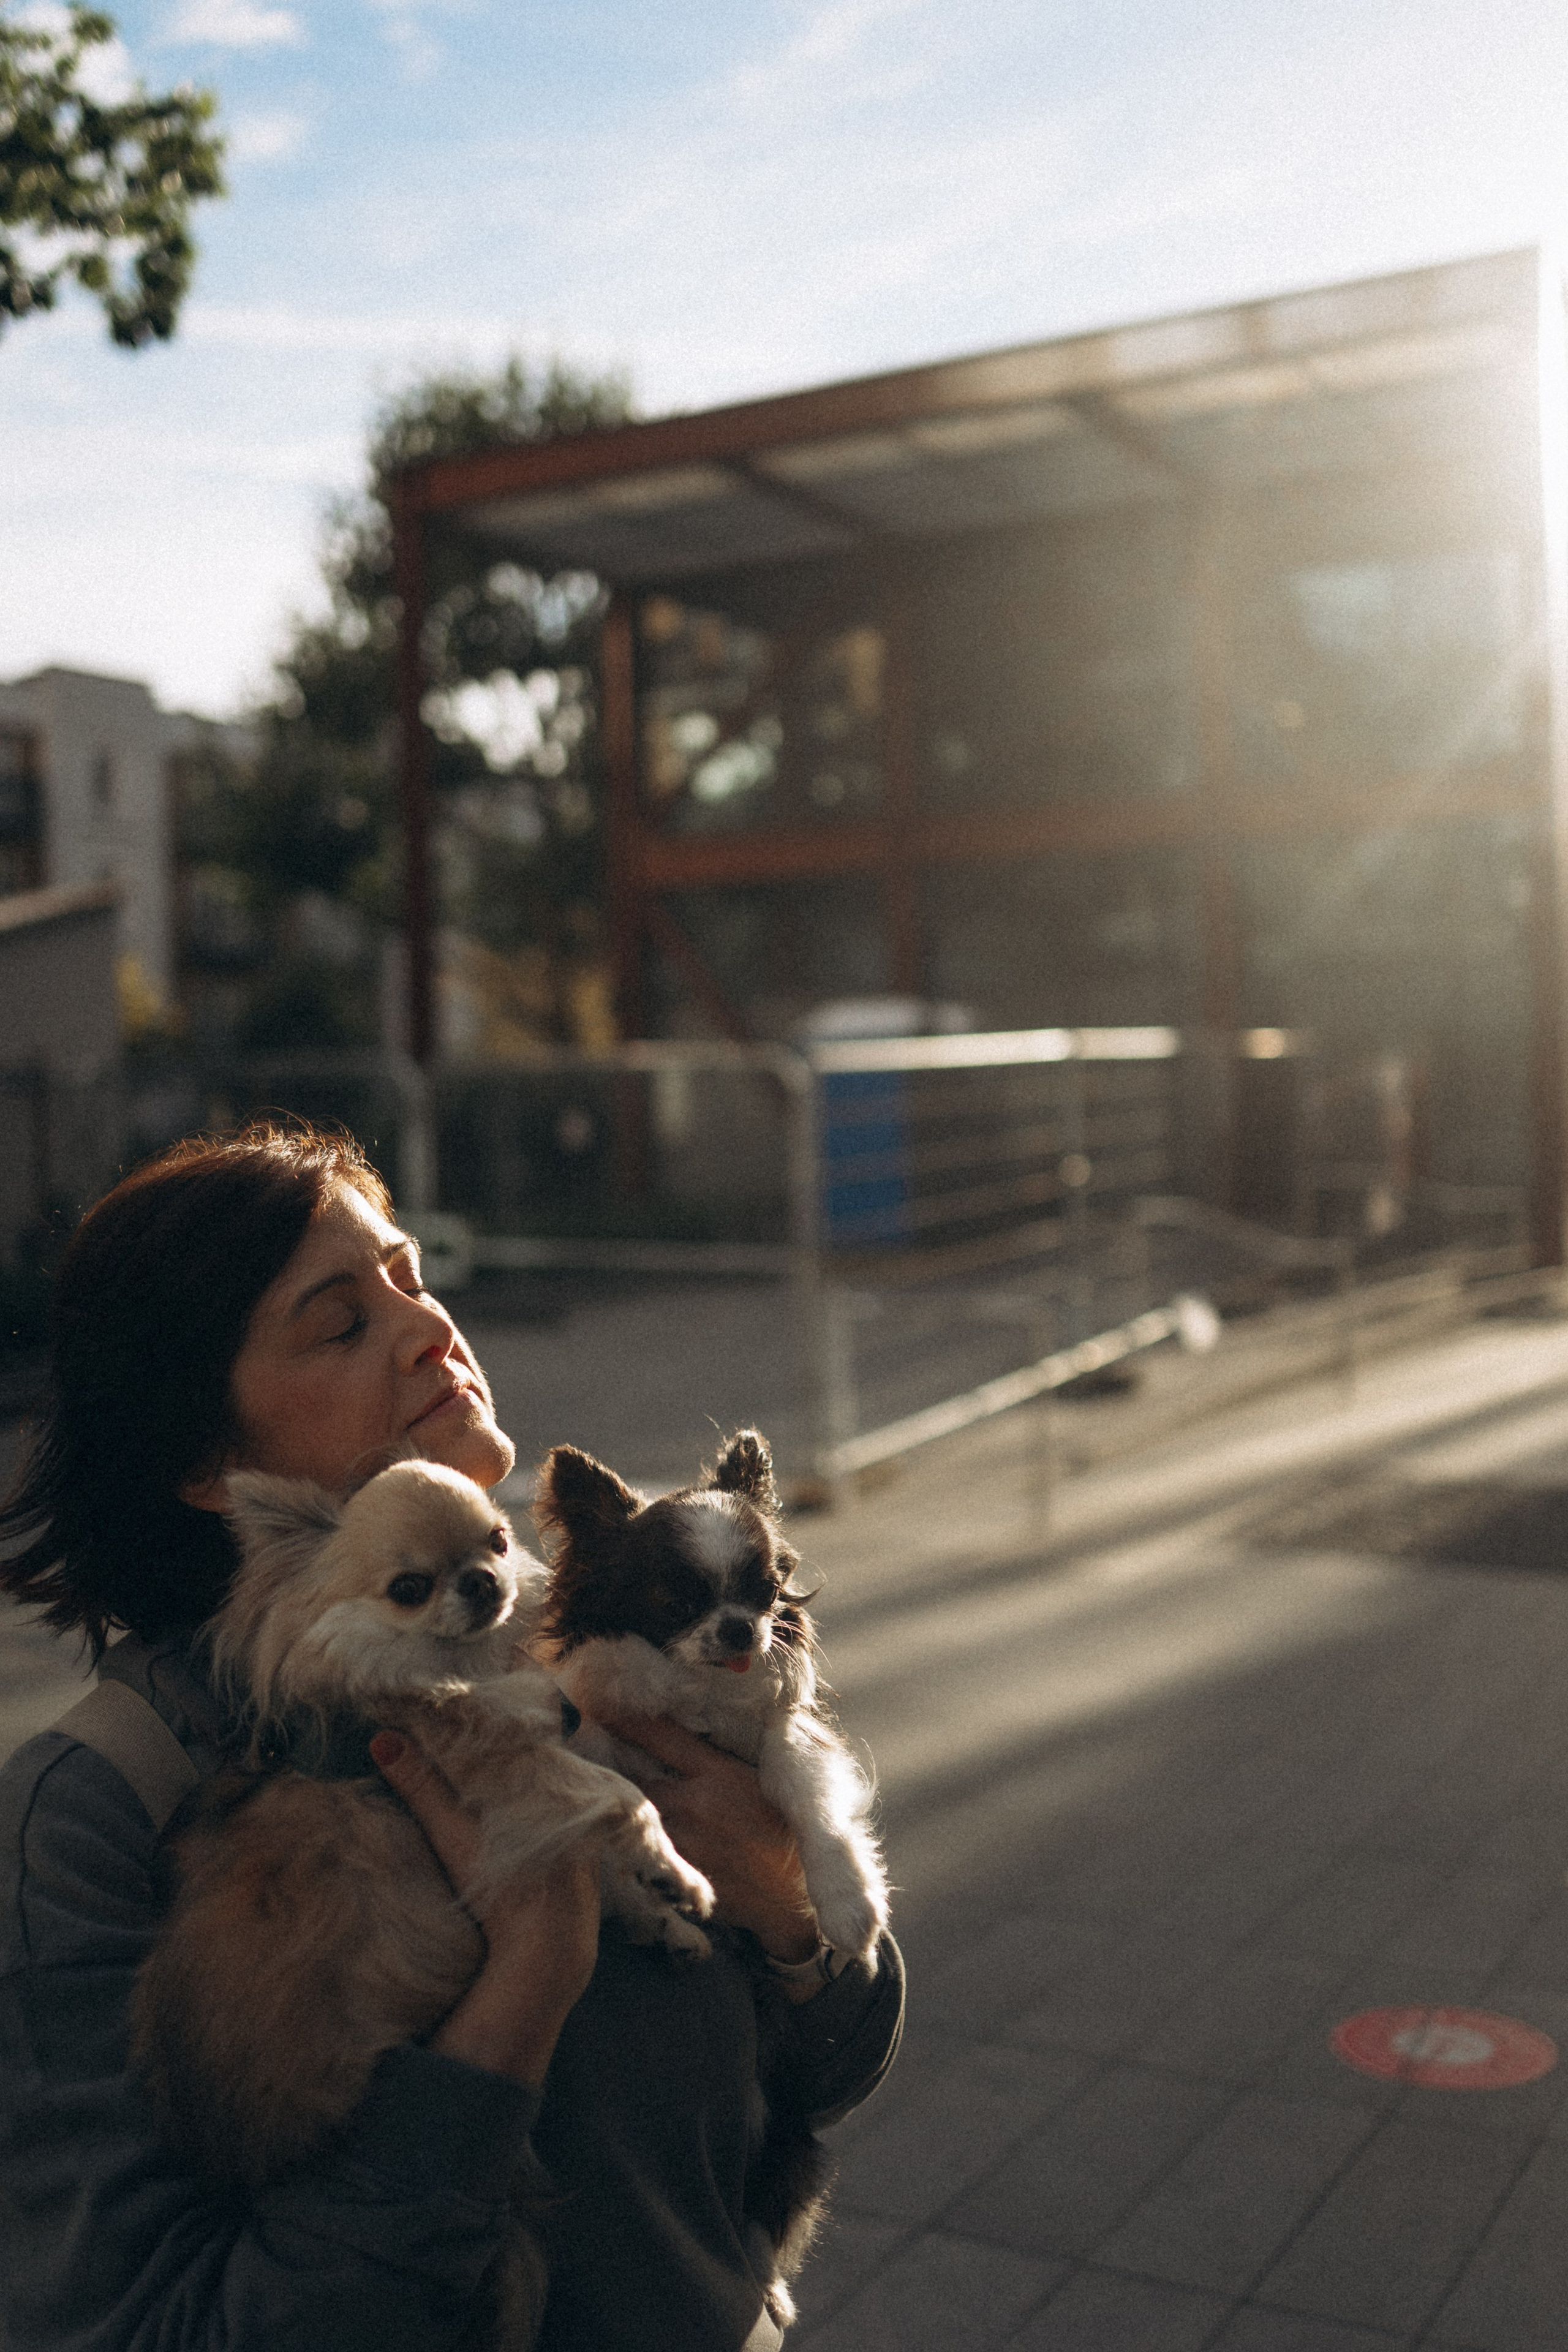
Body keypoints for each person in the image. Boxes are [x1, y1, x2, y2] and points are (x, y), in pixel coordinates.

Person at [0, 1122, 902, 2351]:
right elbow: (145, 2326)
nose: (430, 1330)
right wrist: (517, 1996)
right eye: (341, 1324)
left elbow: (826, 2074)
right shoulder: (91, 1816)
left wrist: (786, 1911)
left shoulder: (598, 1648)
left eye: (412, 1277)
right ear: (208, 1462)